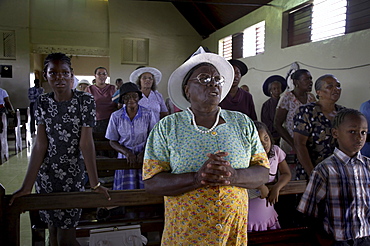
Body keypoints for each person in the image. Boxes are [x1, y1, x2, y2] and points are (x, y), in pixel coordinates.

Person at [143, 47, 270, 245]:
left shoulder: (242, 123)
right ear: (187, 89)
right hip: (186, 234)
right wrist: (196, 179)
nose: (213, 83)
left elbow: (263, 171)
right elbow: (151, 182)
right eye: (203, 79)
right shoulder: (168, 127)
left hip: (232, 233)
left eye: (217, 79)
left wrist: (234, 176)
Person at [9, 53, 110, 246]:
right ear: (46, 76)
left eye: (64, 72)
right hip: (47, 176)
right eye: (53, 73)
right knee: (53, 232)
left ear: (71, 75)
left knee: (66, 235)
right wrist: (27, 186)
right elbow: (40, 144)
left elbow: (86, 143)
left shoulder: (85, 101)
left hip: (72, 175)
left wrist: (95, 184)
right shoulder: (43, 102)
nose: (59, 78)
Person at [297, 108, 370, 245]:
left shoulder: (368, 166)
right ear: (335, 133)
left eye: (363, 132)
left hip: (366, 237)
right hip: (337, 240)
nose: (359, 137)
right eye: (352, 132)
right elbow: (308, 211)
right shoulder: (325, 170)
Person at [105, 82, 156, 190]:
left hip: (144, 156)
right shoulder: (116, 116)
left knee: (143, 190)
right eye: (127, 97)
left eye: (134, 96)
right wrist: (127, 153)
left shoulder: (148, 114)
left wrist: (144, 153)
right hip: (125, 157)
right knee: (124, 190)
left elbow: (153, 137)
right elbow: (112, 141)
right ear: (122, 99)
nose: (131, 99)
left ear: (139, 97)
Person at [294, 74, 344, 175]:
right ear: (319, 92)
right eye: (330, 86)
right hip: (313, 170)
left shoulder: (343, 113)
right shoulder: (306, 111)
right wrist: (313, 173)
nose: (336, 89)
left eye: (338, 86)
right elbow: (300, 144)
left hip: (338, 171)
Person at [248, 121, 291, 232]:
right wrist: (259, 186)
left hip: (266, 208)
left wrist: (277, 187)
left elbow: (286, 173)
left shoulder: (275, 151)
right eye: (259, 141)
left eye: (266, 138)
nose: (264, 143)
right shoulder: (245, 156)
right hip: (248, 209)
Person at [274, 69, 316, 154]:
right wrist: (294, 144)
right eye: (306, 79)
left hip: (308, 144)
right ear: (296, 82)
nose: (310, 82)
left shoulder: (311, 98)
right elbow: (277, 124)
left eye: (310, 79)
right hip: (290, 144)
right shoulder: (287, 98)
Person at [85, 67, 117, 133]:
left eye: (104, 74)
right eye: (99, 74)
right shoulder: (89, 89)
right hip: (94, 122)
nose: (102, 76)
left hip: (111, 121)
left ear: (106, 76)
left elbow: (118, 105)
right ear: (95, 76)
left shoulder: (112, 88)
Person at [261, 75, 287, 145]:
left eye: (278, 88)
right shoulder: (266, 105)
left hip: (286, 134)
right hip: (273, 136)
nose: (277, 90)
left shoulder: (285, 102)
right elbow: (266, 122)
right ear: (270, 91)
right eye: (274, 89)